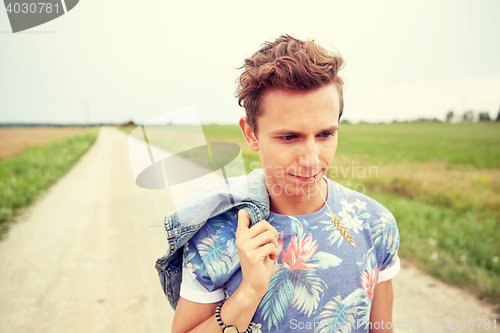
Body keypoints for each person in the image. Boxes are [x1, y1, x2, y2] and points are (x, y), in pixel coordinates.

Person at [170, 34, 400, 333]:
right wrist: (249, 293)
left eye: (325, 134)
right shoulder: (215, 233)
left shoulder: (375, 223)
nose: (311, 159)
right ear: (251, 133)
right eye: (289, 137)